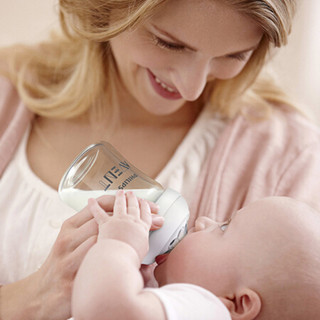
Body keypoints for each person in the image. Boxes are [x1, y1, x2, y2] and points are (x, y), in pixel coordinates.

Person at [1, 0, 320, 319]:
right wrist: (35, 296)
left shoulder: (290, 158)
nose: (192, 87)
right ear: (108, 8)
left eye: (233, 55)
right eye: (170, 43)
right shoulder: (7, 94)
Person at [72, 191, 320, 320]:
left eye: (224, 227)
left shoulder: (210, 310)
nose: (203, 221)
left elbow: (105, 311)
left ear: (238, 303)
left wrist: (120, 242)